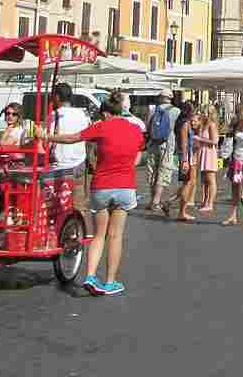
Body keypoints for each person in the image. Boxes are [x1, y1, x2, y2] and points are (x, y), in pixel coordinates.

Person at [35, 99, 144, 297]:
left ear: (105, 113)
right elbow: (138, 156)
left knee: (99, 234)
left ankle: (90, 276)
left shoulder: (101, 126)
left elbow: (73, 138)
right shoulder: (135, 129)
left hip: (102, 186)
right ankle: (110, 282)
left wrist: (47, 136)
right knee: (116, 236)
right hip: (125, 186)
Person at [49, 83, 91, 211]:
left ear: (57, 97)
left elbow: (49, 140)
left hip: (61, 165)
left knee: (61, 204)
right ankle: (79, 228)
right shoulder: (82, 114)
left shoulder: (54, 115)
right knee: (78, 203)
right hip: (79, 162)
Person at [144, 88, 180, 212]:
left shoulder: (153, 110)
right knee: (163, 171)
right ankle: (156, 201)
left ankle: (151, 200)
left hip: (153, 144)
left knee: (152, 171)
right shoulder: (176, 111)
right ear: (170, 98)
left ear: (160, 97)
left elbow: (147, 126)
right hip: (168, 144)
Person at [174, 104, 198, 221]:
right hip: (185, 156)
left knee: (188, 182)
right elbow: (184, 143)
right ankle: (182, 212)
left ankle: (179, 208)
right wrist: (185, 160)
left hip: (186, 155)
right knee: (187, 183)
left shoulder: (184, 123)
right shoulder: (185, 124)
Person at [195, 104, 219, 214]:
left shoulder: (211, 125)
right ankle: (204, 201)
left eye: (204, 112)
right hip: (203, 152)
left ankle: (210, 203)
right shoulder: (203, 124)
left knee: (210, 179)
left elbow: (215, 141)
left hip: (209, 153)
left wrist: (200, 138)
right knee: (204, 180)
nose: (202, 114)